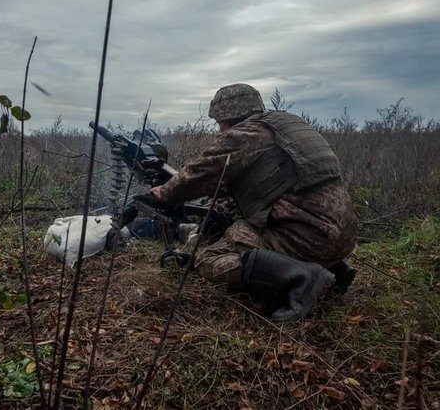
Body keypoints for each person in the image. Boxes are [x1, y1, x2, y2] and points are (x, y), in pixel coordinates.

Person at [148, 83, 358, 322]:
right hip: (340, 234)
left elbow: (201, 173)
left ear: (228, 117)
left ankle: (305, 278)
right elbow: (266, 182)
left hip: (308, 237)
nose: (219, 131)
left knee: (208, 258)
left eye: (219, 124)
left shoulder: (245, 134)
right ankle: (333, 268)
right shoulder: (285, 125)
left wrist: (164, 193)